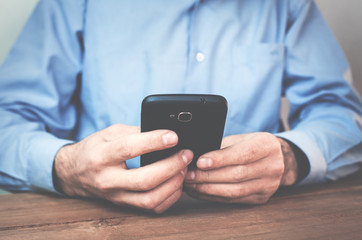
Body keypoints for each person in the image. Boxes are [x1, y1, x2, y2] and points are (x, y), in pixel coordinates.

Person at [0, 0, 361, 214]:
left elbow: (343, 115)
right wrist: (67, 169)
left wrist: (290, 158)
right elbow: (7, 122)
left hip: (254, 222)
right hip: (100, 223)